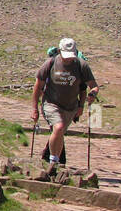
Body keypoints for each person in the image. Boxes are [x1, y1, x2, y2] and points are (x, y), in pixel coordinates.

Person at [31, 37, 99, 180]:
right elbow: (37, 86)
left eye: (71, 56)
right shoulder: (50, 63)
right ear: (60, 51)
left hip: (70, 107)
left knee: (60, 133)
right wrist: (35, 109)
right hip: (51, 103)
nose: (69, 59)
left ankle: (54, 164)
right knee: (59, 128)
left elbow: (92, 85)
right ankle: (53, 163)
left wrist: (91, 95)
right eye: (66, 56)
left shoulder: (81, 65)